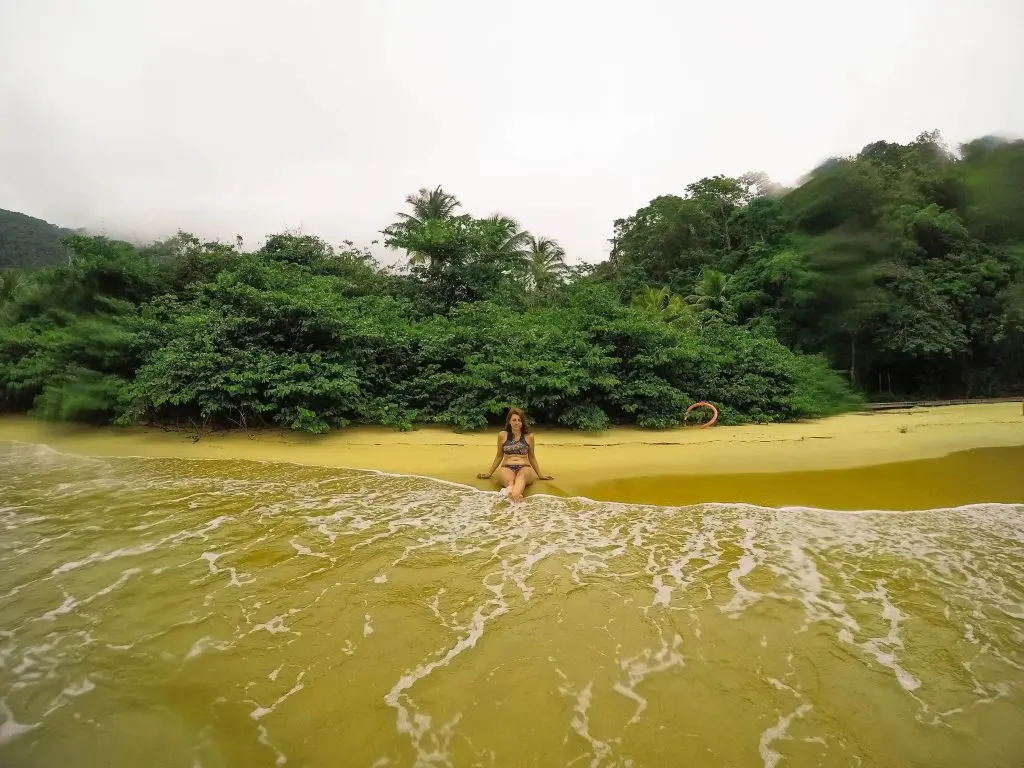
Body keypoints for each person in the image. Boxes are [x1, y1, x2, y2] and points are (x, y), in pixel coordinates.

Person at [477, 407, 552, 501]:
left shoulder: (529, 437)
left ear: (522, 422)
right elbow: (499, 456)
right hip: (507, 467)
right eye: (514, 420)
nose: (517, 422)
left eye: (519, 420)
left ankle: (514, 497)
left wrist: (540, 475)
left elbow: (532, 457)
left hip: (525, 467)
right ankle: (516, 500)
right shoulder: (502, 435)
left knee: (521, 478)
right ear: (509, 421)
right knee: (510, 482)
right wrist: (489, 473)